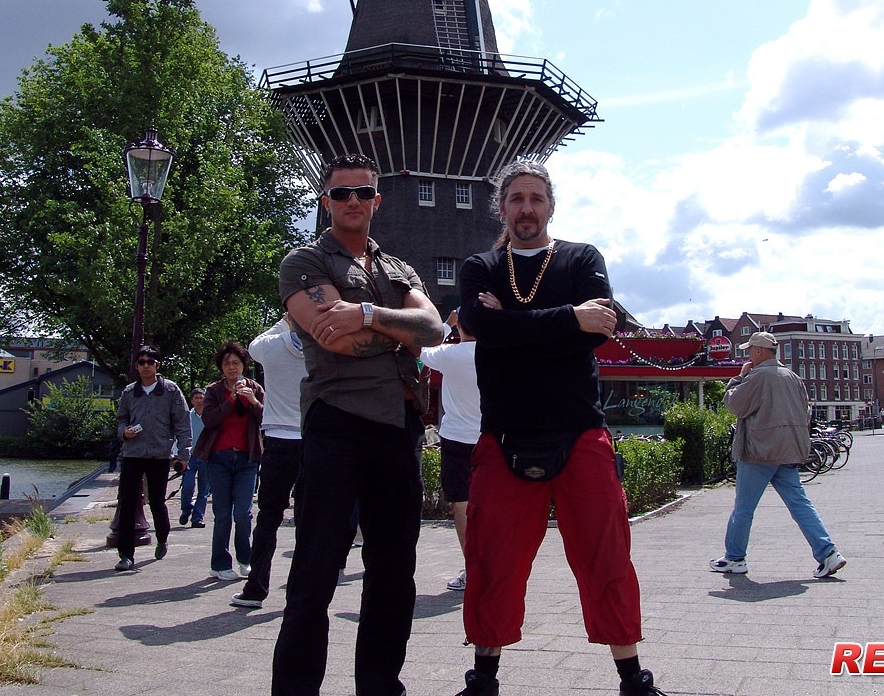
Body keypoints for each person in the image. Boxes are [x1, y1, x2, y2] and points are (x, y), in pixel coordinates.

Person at [456, 160, 665, 696]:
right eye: (516, 199)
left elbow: (599, 330)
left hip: (580, 430)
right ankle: (483, 679)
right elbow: (480, 325)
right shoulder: (480, 266)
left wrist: (512, 326)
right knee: (493, 561)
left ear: (551, 206)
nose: (526, 208)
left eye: (536, 198)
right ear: (501, 207)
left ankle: (632, 678)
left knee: (606, 557)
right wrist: (570, 317)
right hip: (505, 433)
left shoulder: (582, 257)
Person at [272, 153, 444, 696]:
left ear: (377, 200)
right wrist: (401, 334)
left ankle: (380, 686)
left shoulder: (398, 268)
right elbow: (336, 340)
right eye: (342, 193)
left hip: (399, 427)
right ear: (325, 201)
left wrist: (367, 315)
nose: (353, 201)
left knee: (394, 572)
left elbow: (434, 328)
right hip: (338, 423)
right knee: (316, 568)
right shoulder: (305, 262)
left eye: (363, 193)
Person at [709, 331, 846, 579]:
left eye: (750, 350)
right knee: (800, 504)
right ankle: (828, 553)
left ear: (759, 351)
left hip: (759, 452)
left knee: (744, 508)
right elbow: (805, 413)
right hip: (788, 451)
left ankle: (734, 558)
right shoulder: (793, 377)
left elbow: (734, 405)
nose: (748, 356)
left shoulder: (757, 376)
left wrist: (738, 378)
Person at [232, 314, 306, 609]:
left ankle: (256, 588)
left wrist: (285, 321)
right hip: (311, 437)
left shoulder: (271, 346)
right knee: (308, 521)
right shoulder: (325, 347)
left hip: (278, 439)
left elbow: (253, 345)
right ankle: (301, 594)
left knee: (268, 518)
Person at [419, 308, 481, 591]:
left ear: (460, 327)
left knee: (461, 503)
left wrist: (446, 325)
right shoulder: (498, 353)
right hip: (491, 437)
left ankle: (472, 568)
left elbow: (421, 348)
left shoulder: (450, 354)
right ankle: (495, 565)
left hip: (456, 438)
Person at [113, 345, 190, 572]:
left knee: (157, 501)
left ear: (158, 365)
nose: (145, 366)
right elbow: (120, 419)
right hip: (133, 453)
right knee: (127, 502)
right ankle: (126, 555)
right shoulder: (129, 392)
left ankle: (162, 538)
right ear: (136, 366)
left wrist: (183, 455)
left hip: (159, 454)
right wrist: (124, 432)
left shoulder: (170, 390)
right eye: (141, 362)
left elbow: (182, 423)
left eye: (150, 362)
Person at [194, 342, 265, 581]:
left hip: (247, 459)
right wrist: (231, 399)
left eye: (236, 363)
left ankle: (245, 559)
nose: (232, 367)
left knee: (243, 513)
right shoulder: (213, 391)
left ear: (244, 365)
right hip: (218, 458)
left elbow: (266, 418)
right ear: (221, 368)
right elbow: (209, 419)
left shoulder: (255, 388)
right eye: (227, 364)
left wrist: (252, 401)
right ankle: (220, 564)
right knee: (222, 513)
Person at [179, 388, 209, 528]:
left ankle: (197, 517)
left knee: (204, 490)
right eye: (196, 398)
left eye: (201, 397)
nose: (199, 400)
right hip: (190, 457)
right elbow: (179, 436)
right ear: (191, 401)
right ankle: (186, 510)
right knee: (187, 486)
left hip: (207, 457)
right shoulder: (187, 417)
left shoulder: (210, 416)